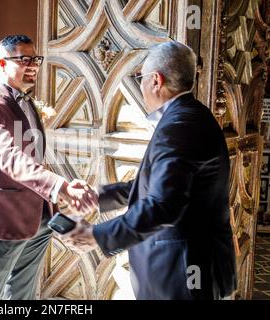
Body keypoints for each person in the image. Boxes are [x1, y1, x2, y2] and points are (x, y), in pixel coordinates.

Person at [63, 41, 237, 300]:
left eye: (140, 77)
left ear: (156, 80)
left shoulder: (179, 125)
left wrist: (98, 235)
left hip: (181, 272)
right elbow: (162, 185)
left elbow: (163, 205)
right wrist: (99, 197)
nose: (141, 84)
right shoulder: (191, 115)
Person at [0, 35, 95, 300]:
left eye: (35, 59)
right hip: (5, 219)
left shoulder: (27, 102)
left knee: (22, 295)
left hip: (40, 218)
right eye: (24, 59)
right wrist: (60, 187)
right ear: (3, 62)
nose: (33, 65)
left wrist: (55, 200)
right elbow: (9, 157)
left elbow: (34, 158)